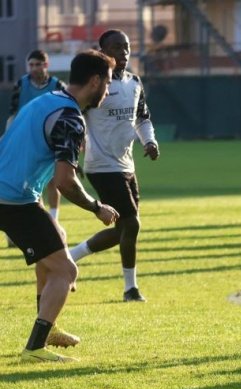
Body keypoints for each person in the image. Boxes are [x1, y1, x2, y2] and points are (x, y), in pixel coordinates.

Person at [0, 50, 119, 362]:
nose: (108, 91)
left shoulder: (47, 100)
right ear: (95, 81)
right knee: (66, 270)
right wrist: (97, 207)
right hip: (11, 200)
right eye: (108, 83)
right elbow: (65, 181)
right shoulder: (69, 118)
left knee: (57, 240)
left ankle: (48, 326)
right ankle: (35, 348)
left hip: (14, 195)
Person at [69, 29, 159, 302]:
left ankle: (70, 256)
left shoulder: (134, 82)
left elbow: (142, 118)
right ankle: (131, 289)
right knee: (131, 224)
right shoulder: (96, 85)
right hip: (101, 165)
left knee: (125, 228)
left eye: (127, 47)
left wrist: (150, 141)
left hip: (126, 165)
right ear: (102, 52)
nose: (124, 52)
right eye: (117, 47)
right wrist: (74, 155)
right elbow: (74, 117)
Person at [5, 50, 67, 247]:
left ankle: (53, 221)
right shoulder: (21, 84)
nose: (34, 68)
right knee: (26, 183)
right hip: (26, 141)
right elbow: (13, 113)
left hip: (50, 141)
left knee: (52, 181)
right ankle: (18, 230)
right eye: (31, 65)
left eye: (37, 64)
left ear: (46, 65)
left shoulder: (57, 86)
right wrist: (8, 138)